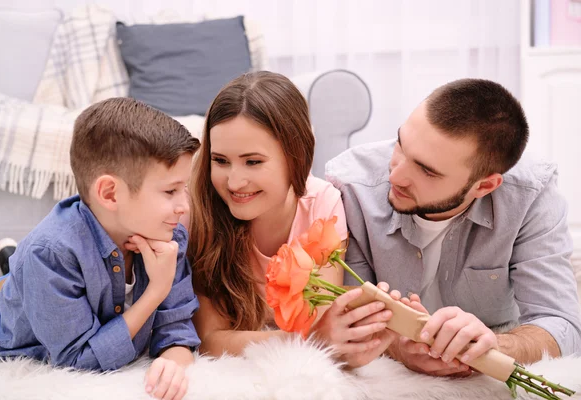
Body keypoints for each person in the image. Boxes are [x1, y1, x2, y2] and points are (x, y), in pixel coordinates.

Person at [326, 78, 581, 377]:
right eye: (400, 144)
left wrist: (490, 347)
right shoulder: (350, 187)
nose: (396, 176)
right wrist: (397, 346)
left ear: (484, 185)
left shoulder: (530, 195)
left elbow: (561, 324)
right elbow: (349, 311)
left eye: (426, 170)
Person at [0, 97, 201, 400]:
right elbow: (78, 361)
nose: (184, 207)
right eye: (170, 191)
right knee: (14, 282)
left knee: (21, 275)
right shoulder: (49, 254)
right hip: (3, 328)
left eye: (184, 188)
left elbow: (176, 329)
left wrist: (174, 363)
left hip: (45, 280)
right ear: (109, 193)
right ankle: (11, 268)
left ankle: (10, 264)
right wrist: (155, 292)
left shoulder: (167, 234)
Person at [188, 71, 397, 368]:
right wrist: (306, 340)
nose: (234, 182)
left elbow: (322, 315)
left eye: (253, 162)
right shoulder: (202, 210)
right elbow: (210, 340)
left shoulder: (322, 204)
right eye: (220, 161)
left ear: (295, 155)